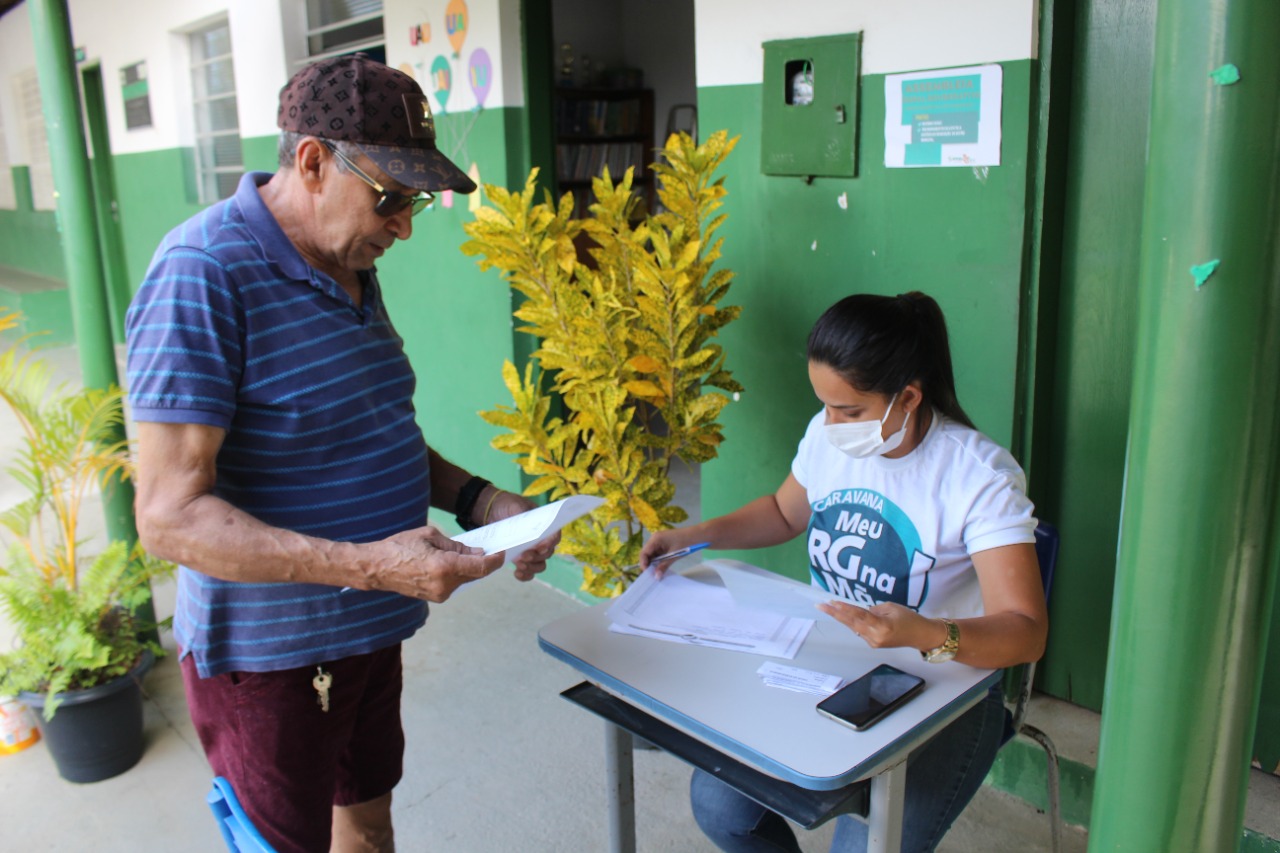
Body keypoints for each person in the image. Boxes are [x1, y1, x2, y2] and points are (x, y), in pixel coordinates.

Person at [125, 55, 555, 853]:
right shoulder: (203, 273)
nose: (404, 224)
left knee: (365, 819)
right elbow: (170, 519)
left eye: (414, 200)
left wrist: (484, 503)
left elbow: (370, 428)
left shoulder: (347, 259)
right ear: (314, 162)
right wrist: (373, 564)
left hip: (366, 628)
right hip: (273, 660)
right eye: (390, 198)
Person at [639, 291, 1048, 853]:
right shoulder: (829, 436)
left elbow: (1026, 631)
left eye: (849, 411)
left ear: (907, 396)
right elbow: (785, 512)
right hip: (831, 662)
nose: (830, 424)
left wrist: (924, 634)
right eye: (824, 405)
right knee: (720, 806)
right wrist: (695, 536)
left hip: (943, 690)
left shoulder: (978, 477)